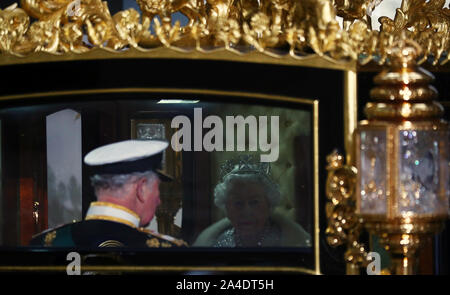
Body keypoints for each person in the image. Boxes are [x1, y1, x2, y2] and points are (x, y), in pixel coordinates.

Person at [30, 140, 187, 248]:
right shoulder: (167, 251)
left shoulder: (44, 243)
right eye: (157, 188)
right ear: (141, 188)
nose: (159, 200)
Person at [193, 155, 311, 247]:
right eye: (238, 203)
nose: (246, 212)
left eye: (254, 202)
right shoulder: (214, 244)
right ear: (226, 208)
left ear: (269, 204)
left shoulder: (294, 243)